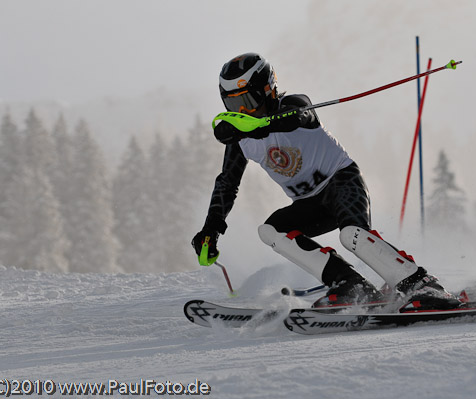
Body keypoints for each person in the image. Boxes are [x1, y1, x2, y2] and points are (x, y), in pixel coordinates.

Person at [192, 52, 460, 310]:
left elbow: (299, 116)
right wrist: (211, 229)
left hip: (342, 182)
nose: (243, 112)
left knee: (351, 235)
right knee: (271, 230)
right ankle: (351, 285)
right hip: (310, 203)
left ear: (268, 90)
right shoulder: (242, 140)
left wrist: (248, 126)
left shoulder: (294, 106)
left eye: (247, 102)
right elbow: (227, 184)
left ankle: (422, 284)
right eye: (233, 105)